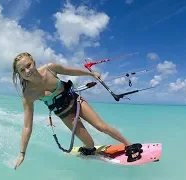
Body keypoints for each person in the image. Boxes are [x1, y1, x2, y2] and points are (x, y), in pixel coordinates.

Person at [12, 52, 142, 169]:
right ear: (19, 74)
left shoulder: (50, 69)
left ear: (33, 62)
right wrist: (22, 153)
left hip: (76, 101)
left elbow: (72, 71)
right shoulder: (28, 94)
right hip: (64, 114)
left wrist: (91, 74)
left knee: (102, 126)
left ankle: (129, 145)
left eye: (28, 65)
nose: (27, 71)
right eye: (22, 70)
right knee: (90, 144)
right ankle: (86, 149)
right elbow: (27, 126)